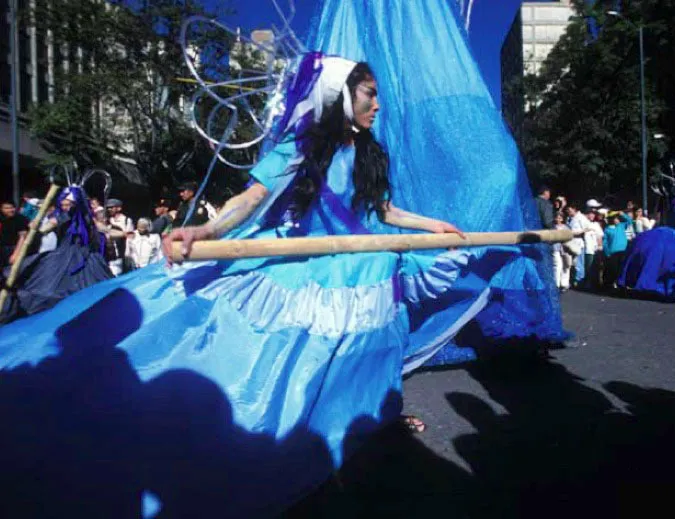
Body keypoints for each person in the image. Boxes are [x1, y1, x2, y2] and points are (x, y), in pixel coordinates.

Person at [0, 34, 568, 512]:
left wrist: (434, 225)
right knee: (304, 355)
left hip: (368, 262)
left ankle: (376, 413)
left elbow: (383, 212)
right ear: (341, 95)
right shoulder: (303, 146)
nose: (377, 105)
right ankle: (309, 422)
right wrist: (205, 232)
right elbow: (251, 198)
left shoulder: (371, 152)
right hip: (312, 262)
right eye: (369, 94)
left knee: (375, 343)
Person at [0, 186, 112, 322]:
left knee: (94, 291)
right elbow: (45, 229)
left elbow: (103, 229)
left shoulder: (87, 219)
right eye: (63, 205)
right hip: (63, 257)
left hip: (87, 258)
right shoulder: (62, 217)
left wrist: (121, 232)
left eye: (68, 205)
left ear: (76, 204)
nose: (65, 207)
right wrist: (36, 228)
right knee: (50, 288)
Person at [602, 211, 632, 291]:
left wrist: (623, 214)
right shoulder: (607, 229)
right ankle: (610, 284)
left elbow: (630, 221)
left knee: (622, 269)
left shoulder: (621, 226)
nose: (616, 220)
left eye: (617, 218)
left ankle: (621, 284)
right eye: (614, 218)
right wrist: (607, 252)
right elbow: (605, 243)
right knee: (613, 269)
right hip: (613, 253)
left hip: (623, 251)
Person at [565, 203, 591, 287]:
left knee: (578, 263)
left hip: (578, 242)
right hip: (569, 242)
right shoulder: (569, 218)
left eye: (569, 210)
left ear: (574, 209)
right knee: (570, 262)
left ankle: (579, 280)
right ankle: (572, 279)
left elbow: (588, 228)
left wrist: (578, 232)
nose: (568, 212)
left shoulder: (581, 217)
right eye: (567, 210)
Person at [0, 201, 29, 267]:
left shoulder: (20, 219)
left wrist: (16, 254)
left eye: (12, 208)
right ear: (1, 209)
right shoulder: (2, 218)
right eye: (7, 208)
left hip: (13, 248)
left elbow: (22, 237)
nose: (10, 210)